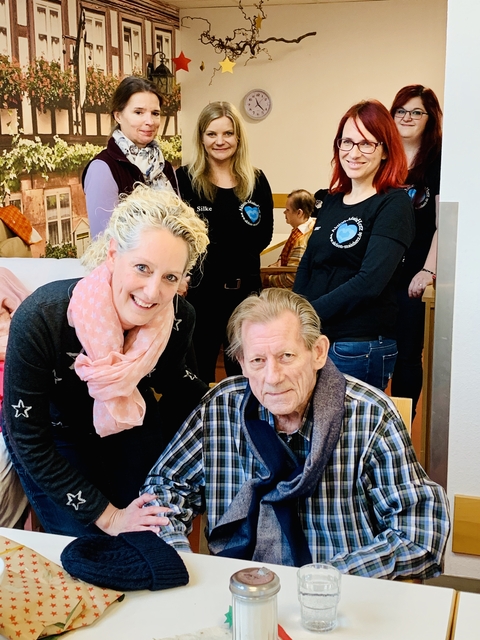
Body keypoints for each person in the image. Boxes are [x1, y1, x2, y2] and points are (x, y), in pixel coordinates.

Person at [141, 289, 450, 579]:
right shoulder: (220, 408)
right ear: (242, 364)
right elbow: (163, 490)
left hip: (338, 595)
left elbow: (420, 532)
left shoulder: (370, 415)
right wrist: (183, 563)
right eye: (258, 361)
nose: (273, 377)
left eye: (286, 356)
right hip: (237, 591)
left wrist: (321, 580)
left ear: (318, 352)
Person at [2, 184, 209, 537]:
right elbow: (29, 439)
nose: (152, 292)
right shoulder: (41, 318)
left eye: (170, 277)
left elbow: (177, 385)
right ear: (113, 254)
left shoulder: (179, 317)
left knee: (153, 533)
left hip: (131, 423)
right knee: (92, 546)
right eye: (142, 267)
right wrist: (109, 517)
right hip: (55, 434)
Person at [293, 100, 415, 391]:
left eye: (366, 144)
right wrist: (295, 311)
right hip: (315, 337)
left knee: (345, 423)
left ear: (385, 150)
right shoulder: (332, 199)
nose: (354, 152)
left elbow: (369, 282)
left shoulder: (394, 204)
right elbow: (309, 262)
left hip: (358, 345)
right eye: (346, 142)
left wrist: (306, 315)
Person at [176, 101, 273, 383]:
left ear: (238, 137)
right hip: (200, 296)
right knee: (198, 375)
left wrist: (225, 252)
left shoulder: (256, 180)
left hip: (246, 297)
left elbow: (263, 236)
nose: (220, 141)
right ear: (201, 138)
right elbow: (178, 238)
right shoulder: (184, 180)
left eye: (228, 133)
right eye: (212, 134)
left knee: (248, 374)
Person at [389, 85, 443, 415]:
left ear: (429, 118)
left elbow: (442, 224)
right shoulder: (382, 157)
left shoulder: (439, 160)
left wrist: (427, 270)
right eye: (401, 111)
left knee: (407, 355)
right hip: (380, 272)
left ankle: (403, 426)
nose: (407, 117)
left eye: (416, 112)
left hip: (414, 275)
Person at [83, 76, 179, 239]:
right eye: (138, 112)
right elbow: (103, 243)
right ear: (118, 116)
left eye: (155, 113)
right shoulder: (102, 168)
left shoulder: (165, 167)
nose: (150, 121)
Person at [261, 190, 315, 290]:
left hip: (293, 291)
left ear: (299, 213)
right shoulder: (312, 225)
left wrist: (266, 278)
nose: (284, 212)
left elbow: (292, 278)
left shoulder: (301, 240)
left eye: (287, 210)